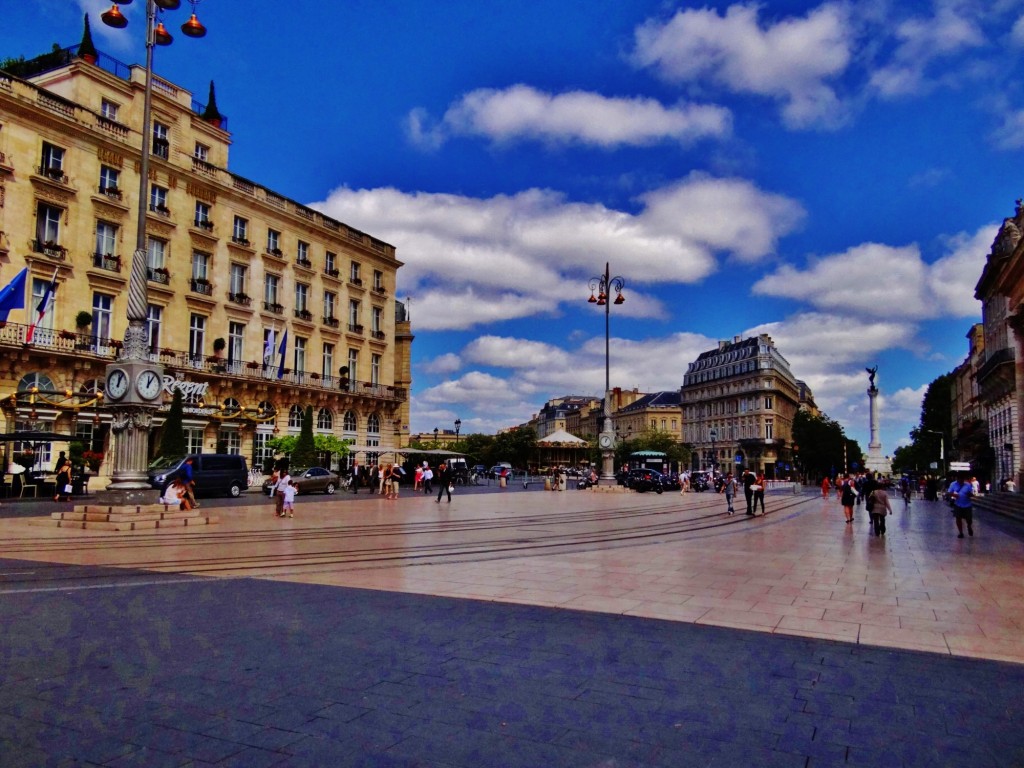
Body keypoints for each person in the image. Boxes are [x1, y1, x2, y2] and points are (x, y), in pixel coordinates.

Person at [947, 472, 975, 538]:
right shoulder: (953, 484)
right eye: (959, 479)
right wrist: (954, 495)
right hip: (958, 504)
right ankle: (961, 532)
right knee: (958, 518)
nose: (961, 481)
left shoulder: (968, 485)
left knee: (969, 519)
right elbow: (949, 493)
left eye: (962, 479)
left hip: (967, 504)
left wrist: (970, 494)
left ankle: (969, 526)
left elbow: (971, 494)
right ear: (957, 479)